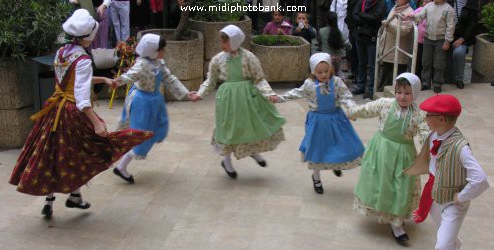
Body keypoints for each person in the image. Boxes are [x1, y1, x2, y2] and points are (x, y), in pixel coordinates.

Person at [9, 9, 153, 218]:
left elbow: (73, 80)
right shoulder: (84, 59)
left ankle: (54, 200)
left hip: (55, 108)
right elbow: (82, 97)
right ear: (89, 36)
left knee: (53, 154)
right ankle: (73, 196)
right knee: (80, 154)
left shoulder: (62, 52)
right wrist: (96, 122)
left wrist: (102, 80)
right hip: (71, 113)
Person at [405, 94, 489, 250]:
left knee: (443, 245)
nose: (426, 118)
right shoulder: (435, 135)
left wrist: (462, 196)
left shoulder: (461, 147)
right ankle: (453, 243)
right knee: (440, 224)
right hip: (436, 193)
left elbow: (480, 179)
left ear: (442, 119)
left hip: (453, 202)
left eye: (429, 115)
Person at [195, 25, 286, 178]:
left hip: (247, 98)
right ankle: (226, 160)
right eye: (221, 41)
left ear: (235, 42)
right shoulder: (217, 60)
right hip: (228, 99)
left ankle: (253, 151)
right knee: (228, 128)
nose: (222, 45)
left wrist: (269, 93)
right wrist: (200, 93)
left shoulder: (248, 57)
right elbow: (210, 80)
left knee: (249, 125)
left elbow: (259, 78)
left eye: (225, 42)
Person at [349, 73, 429, 242]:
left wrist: (431, 147)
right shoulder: (385, 104)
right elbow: (367, 109)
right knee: (380, 182)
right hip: (381, 150)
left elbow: (424, 133)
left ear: (415, 94)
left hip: (404, 155)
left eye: (407, 93)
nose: (402, 96)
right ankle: (384, 213)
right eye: (399, 92)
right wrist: (353, 112)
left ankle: (396, 222)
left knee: (401, 186)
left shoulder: (418, 115)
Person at [113, 34, 201, 183]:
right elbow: (130, 76)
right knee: (141, 135)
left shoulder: (159, 63)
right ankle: (121, 167)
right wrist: (117, 81)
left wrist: (186, 93)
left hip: (155, 101)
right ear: (152, 51)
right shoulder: (142, 64)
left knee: (160, 126)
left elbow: (170, 79)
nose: (163, 52)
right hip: (142, 102)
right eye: (161, 49)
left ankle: (126, 157)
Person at [279, 53, 364, 194]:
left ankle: (336, 163)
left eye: (326, 71)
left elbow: (346, 96)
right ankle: (316, 177)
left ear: (330, 69)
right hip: (318, 122)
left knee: (341, 144)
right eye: (319, 72)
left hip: (337, 119)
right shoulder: (309, 84)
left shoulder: (336, 82)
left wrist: (352, 110)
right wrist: (280, 98)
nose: (324, 74)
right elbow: (296, 93)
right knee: (317, 149)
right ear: (313, 71)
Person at [405, 0, 455, 93]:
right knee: (426, 61)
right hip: (427, 38)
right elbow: (420, 17)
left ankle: (437, 83)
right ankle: (425, 83)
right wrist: (412, 16)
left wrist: (447, 41)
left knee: (439, 63)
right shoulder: (428, 6)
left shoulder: (449, 9)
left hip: (441, 39)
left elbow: (450, 26)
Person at [352, 0, 386, 100]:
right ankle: (360, 85)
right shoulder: (361, 2)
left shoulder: (381, 3)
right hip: (360, 35)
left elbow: (376, 18)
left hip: (372, 37)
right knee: (361, 62)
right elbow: (354, 15)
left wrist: (361, 15)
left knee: (372, 65)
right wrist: (365, 18)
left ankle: (371, 89)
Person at [377, 0, 415, 91]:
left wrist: (388, 26)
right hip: (388, 49)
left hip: (399, 53)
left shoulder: (409, 12)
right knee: (385, 78)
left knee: (395, 81)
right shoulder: (394, 7)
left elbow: (405, 30)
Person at [448, 0, 479, 89]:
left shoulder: (472, 3)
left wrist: (462, 39)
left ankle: (459, 79)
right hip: (446, 35)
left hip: (462, 37)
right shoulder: (448, 1)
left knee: (459, 52)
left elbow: (473, 24)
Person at [319, 11, 352, 79]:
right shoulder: (339, 33)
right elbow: (348, 46)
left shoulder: (321, 31)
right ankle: (342, 83)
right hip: (337, 59)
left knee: (329, 75)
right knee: (338, 72)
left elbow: (319, 43)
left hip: (327, 59)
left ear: (326, 20)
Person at [414, 0, 432, 80]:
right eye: (424, 1)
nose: (425, 3)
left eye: (427, 2)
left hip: (429, 41)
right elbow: (413, 15)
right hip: (418, 41)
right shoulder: (420, 10)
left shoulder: (433, 12)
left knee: (426, 63)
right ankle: (416, 80)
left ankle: (425, 81)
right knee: (417, 62)